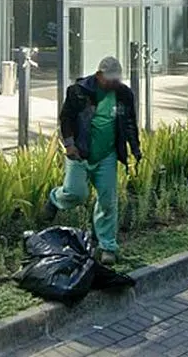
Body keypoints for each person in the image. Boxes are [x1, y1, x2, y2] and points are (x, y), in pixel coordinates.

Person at [43, 55, 141, 265]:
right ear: (98, 75)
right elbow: (66, 118)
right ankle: (55, 198)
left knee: (108, 200)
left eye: (117, 80)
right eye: (110, 80)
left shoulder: (124, 94)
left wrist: (135, 148)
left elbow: (129, 122)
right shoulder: (78, 92)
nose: (114, 84)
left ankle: (107, 246)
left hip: (107, 155)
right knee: (76, 193)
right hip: (80, 152)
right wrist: (69, 145)